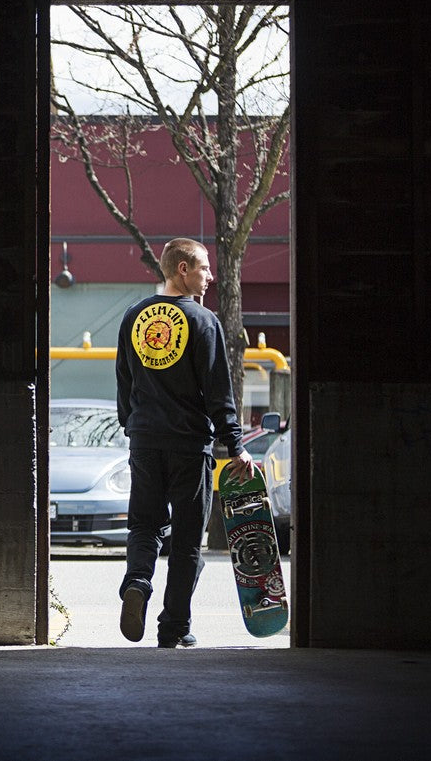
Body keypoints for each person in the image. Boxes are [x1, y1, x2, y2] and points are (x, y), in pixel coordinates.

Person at [114, 237, 254, 648]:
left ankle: (137, 583)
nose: (210, 276)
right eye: (205, 268)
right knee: (188, 538)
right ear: (182, 270)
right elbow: (218, 391)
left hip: (145, 441)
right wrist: (235, 444)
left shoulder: (134, 317)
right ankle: (173, 627)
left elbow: (124, 379)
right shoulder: (203, 321)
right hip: (189, 447)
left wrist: (132, 424)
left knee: (144, 525)